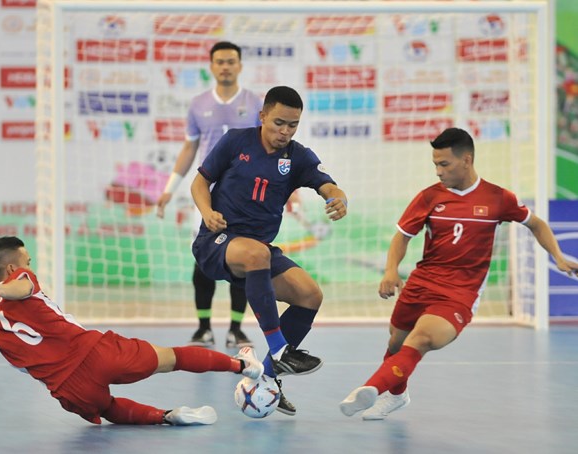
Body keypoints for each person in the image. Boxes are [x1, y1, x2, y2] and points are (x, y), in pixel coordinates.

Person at [339, 127, 578, 421]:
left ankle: (371, 389)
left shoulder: (498, 198)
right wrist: (391, 271)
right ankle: (398, 396)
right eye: (435, 165)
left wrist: (558, 257)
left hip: (460, 293)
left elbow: (536, 224)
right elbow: (402, 236)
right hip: (421, 282)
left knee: (423, 337)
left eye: (444, 164)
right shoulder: (429, 197)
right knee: (396, 344)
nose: (438, 171)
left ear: (467, 160)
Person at [0, 236, 264, 427]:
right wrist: (4, 289)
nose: (30, 265)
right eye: (27, 261)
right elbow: (23, 287)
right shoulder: (20, 278)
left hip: (68, 389)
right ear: (12, 269)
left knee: (108, 409)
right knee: (172, 358)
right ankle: (241, 365)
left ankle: (165, 416)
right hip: (95, 352)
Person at [190, 85, 348, 416]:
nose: (285, 131)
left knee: (310, 295)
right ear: (262, 116)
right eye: (278, 123)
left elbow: (326, 184)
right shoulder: (236, 141)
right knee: (256, 254)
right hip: (216, 242)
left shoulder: (298, 157)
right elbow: (200, 182)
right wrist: (206, 211)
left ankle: (267, 380)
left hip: (258, 250)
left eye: (292, 125)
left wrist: (337, 197)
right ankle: (280, 349)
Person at [156, 41, 263, 349]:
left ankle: (236, 328)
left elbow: (268, 148)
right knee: (203, 260)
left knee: (243, 261)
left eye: (231, 61)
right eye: (220, 61)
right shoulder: (198, 104)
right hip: (207, 197)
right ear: (212, 66)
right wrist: (168, 189)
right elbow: (190, 148)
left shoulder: (256, 103)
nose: (226, 66)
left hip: (245, 200)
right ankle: (203, 327)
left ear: (240, 65)